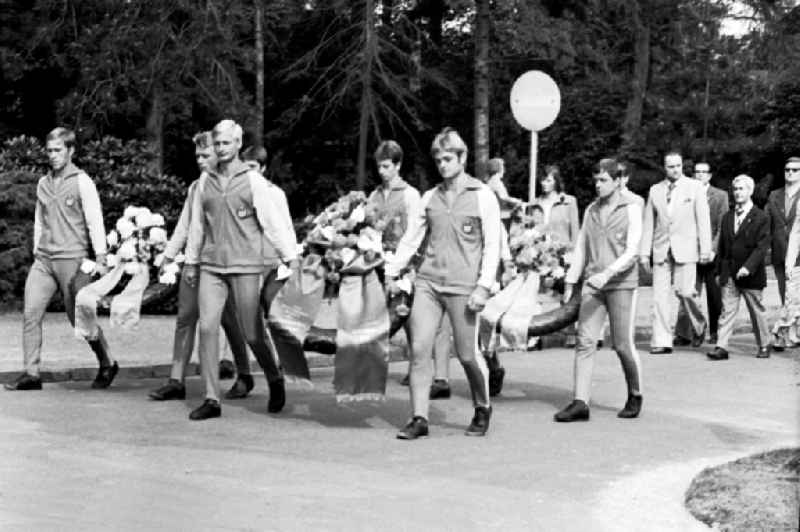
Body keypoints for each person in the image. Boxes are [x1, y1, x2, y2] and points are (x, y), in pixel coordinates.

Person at [386, 127, 501, 439]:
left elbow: (493, 246)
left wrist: (484, 286)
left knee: (466, 355)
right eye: (438, 160)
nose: (443, 165)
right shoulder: (429, 198)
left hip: (465, 286)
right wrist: (392, 270)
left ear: (462, 158)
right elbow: (411, 240)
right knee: (420, 348)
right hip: (428, 283)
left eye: (448, 158)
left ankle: (482, 406)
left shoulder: (483, 196)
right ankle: (419, 418)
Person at [183, 119, 299, 420]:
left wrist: (290, 257)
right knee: (207, 327)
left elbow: (272, 223)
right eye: (217, 143)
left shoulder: (253, 181)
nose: (221, 149)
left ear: (237, 145)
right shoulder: (204, 183)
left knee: (252, 330)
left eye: (226, 143)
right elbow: (197, 225)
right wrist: (191, 262)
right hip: (211, 265)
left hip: (245, 264)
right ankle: (211, 398)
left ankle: (273, 376)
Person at [5, 127, 117, 391]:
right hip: (44, 260)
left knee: (78, 318)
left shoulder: (82, 181)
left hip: (72, 259)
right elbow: (39, 221)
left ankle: (107, 361)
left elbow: (94, 220)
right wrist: (36, 252)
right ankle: (31, 373)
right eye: (50, 151)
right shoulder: (43, 183)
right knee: (31, 312)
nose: (53, 156)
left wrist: (100, 257)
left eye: (58, 150)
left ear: (70, 151)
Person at [148, 132, 252, 401]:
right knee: (185, 317)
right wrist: (168, 256)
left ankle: (244, 373)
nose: (200, 160)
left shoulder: (235, 184)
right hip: (197, 262)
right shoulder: (197, 187)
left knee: (229, 321)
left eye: (205, 155)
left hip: (225, 264)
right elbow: (184, 225)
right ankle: (176, 379)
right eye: (197, 156)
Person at [554, 158, 644, 422]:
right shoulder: (591, 210)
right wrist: (571, 282)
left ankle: (635, 393)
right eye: (595, 180)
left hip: (621, 284)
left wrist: (608, 273)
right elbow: (581, 246)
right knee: (584, 341)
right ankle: (580, 402)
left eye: (603, 180)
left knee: (622, 345)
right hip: (593, 284)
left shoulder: (632, 208)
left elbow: (632, 251)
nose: (598, 185)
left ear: (618, 181)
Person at [639, 151, 712, 354]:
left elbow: (703, 220)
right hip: (661, 249)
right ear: (665, 167)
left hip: (686, 249)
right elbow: (648, 225)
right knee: (659, 298)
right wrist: (644, 253)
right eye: (671, 166)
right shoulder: (655, 190)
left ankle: (699, 323)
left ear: (682, 166)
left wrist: (705, 249)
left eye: (678, 165)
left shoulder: (694, 187)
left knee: (685, 292)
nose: (675, 169)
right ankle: (662, 341)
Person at [706, 175, 772, 360]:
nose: (737, 192)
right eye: (735, 189)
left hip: (751, 275)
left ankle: (764, 345)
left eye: (741, 189)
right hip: (729, 273)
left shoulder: (761, 217)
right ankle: (721, 347)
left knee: (756, 311)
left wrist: (748, 267)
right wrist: (719, 271)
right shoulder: (727, 217)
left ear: (750, 191)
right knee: (727, 312)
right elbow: (723, 248)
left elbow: (762, 247)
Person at [675, 162, 729, 346]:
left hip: (712, 254)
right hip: (690, 252)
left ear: (710, 175)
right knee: (688, 293)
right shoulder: (684, 194)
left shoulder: (720, 196)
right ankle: (686, 333)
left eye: (703, 172)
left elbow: (723, 226)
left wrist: (712, 249)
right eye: (696, 172)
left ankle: (715, 332)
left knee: (714, 296)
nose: (699, 175)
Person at [535, 164, 580, 347]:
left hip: (563, 252)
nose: (545, 184)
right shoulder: (534, 203)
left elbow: (574, 230)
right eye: (543, 180)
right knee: (537, 295)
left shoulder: (568, 202)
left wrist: (575, 254)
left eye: (549, 180)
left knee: (566, 292)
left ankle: (571, 333)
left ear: (556, 182)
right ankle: (535, 335)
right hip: (540, 253)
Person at [765, 156, 800, 351]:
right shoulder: (774, 196)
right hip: (780, 252)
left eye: (795, 170)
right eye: (788, 169)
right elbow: (767, 223)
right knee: (785, 295)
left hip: (799, 254)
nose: (791, 173)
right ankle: (791, 334)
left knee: (796, 296)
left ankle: (788, 334)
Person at [486, 157, 523, 230]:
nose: (504, 171)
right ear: (498, 169)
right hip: (501, 216)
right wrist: (517, 201)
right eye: (502, 168)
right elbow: (503, 197)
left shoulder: (490, 182)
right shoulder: (496, 182)